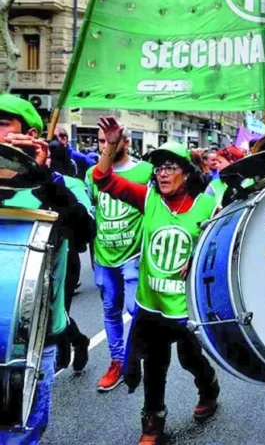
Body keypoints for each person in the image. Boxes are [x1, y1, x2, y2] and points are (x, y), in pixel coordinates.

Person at [91, 117, 219, 445]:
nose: (162, 173)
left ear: (187, 174)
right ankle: (152, 426)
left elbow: (225, 244)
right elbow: (103, 179)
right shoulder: (148, 199)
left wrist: (201, 254)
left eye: (170, 167)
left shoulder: (206, 205)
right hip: (151, 306)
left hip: (185, 309)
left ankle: (209, 388)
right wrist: (110, 145)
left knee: (191, 359)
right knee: (154, 366)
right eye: (158, 167)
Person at [0, 95, 94, 445]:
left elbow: (85, 233)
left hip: (34, 340)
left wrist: (42, 177)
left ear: (33, 134)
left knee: (20, 433)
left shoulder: (63, 187)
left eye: (3, 124)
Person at [85, 126, 153, 392]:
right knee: (110, 310)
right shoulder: (93, 174)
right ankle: (117, 362)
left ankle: (137, 357)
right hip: (104, 254)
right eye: (101, 141)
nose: (106, 146)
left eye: (111, 141)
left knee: (133, 309)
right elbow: (94, 208)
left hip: (134, 255)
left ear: (125, 142)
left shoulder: (145, 172)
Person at [47, 139, 93, 374]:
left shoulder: (71, 184)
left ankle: (68, 350)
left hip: (64, 256)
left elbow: (87, 221)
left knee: (56, 312)